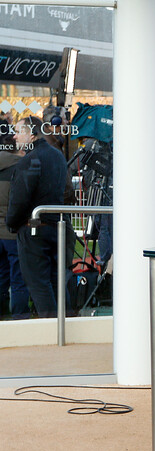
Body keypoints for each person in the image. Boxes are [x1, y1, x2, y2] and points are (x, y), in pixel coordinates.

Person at [6, 116, 74, 318]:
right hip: (56, 227)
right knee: (56, 280)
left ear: (32, 134)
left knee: (39, 284)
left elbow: (19, 199)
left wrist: (12, 224)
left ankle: (54, 331)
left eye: (19, 131)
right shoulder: (57, 156)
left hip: (33, 228)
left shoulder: (29, 160)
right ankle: (66, 326)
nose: (14, 135)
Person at [0, 120, 30, 319]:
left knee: (1, 277)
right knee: (19, 279)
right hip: (13, 232)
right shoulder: (20, 169)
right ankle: (20, 318)